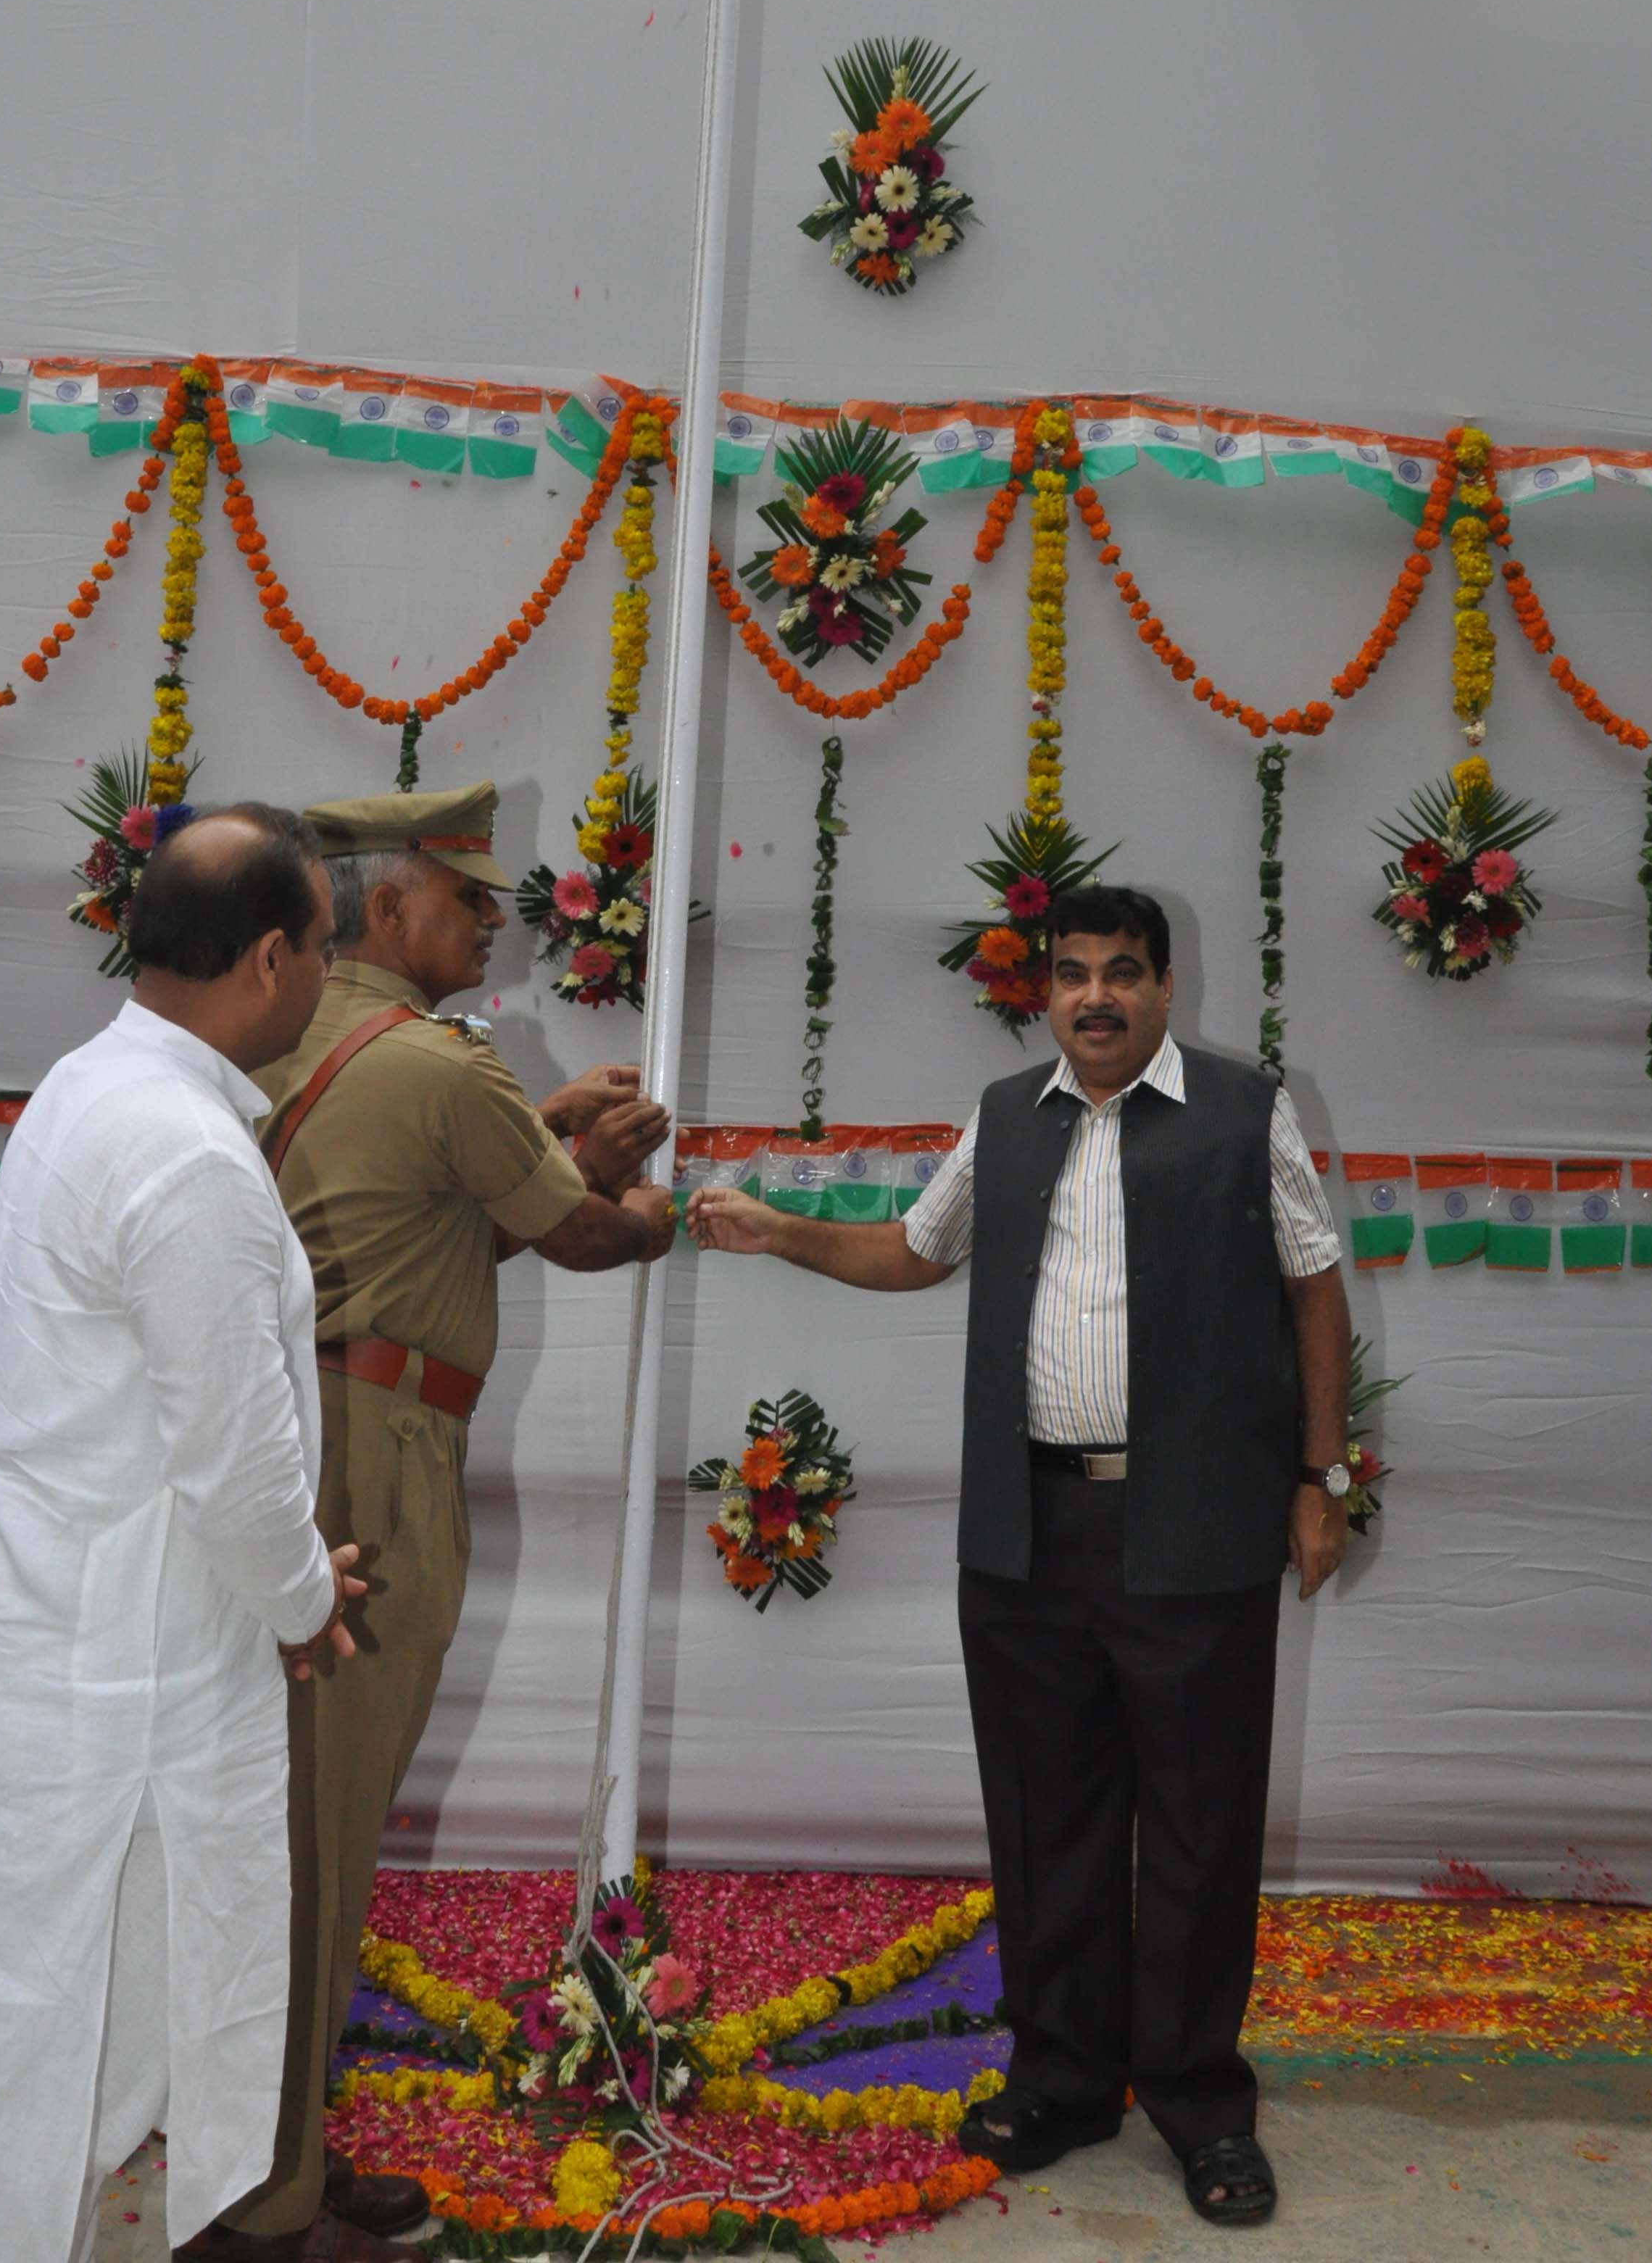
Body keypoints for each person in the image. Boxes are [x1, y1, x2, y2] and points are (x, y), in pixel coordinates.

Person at [692, 884, 1353, 2235]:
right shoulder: (1005, 1118)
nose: (1094, 995)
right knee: (1044, 1817)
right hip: (1026, 1533)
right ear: (1041, 993)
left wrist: (1317, 1475)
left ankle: (1197, 2103)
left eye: (1121, 972)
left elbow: (1314, 1283)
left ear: (1165, 989)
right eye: (1070, 974)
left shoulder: (1243, 1109)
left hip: (1196, 1530)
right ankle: (1060, 2080)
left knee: (1194, 1825)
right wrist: (782, 1232)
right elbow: (913, 1251)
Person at [0, 807, 370, 2263]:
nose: (327, 975)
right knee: (41, 2033)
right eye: (324, 946)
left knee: (10, 2013)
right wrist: (306, 1595)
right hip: (111, 1676)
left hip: (39, 1631)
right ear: (267, 957)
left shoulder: (89, 1082)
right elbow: (238, 1467)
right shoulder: (187, 1151)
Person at [206, 783, 675, 2256]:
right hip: (374, 1460)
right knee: (322, 1829)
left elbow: (420, 1191)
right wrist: (664, 1204)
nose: (489, 926)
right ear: (390, 904)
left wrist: (536, 1135)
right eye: (468, 899)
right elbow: (584, 1231)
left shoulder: (280, 1040)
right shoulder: (439, 1065)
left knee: (271, 1821)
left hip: (283, 1447)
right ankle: (265, 2189)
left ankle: (262, 2140)